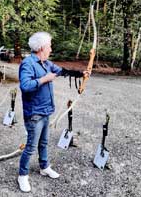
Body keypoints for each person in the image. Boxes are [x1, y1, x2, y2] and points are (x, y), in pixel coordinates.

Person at [18, 31, 88, 192]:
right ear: (42, 47)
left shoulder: (46, 63)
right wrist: (44, 79)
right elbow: (25, 86)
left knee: (43, 142)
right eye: (49, 46)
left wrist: (80, 74)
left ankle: (44, 167)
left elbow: (61, 71)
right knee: (30, 146)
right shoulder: (28, 63)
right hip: (34, 113)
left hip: (46, 110)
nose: (51, 48)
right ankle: (22, 175)